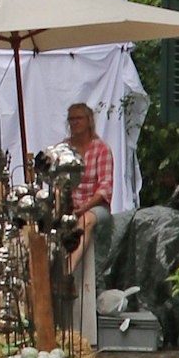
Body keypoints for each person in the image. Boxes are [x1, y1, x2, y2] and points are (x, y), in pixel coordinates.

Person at [63, 102, 116, 273]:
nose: (74, 122)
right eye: (71, 119)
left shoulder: (101, 149)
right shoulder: (63, 149)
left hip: (95, 206)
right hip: (68, 205)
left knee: (86, 221)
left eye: (78, 118)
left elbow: (105, 187)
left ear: (88, 121)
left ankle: (68, 271)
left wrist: (84, 208)